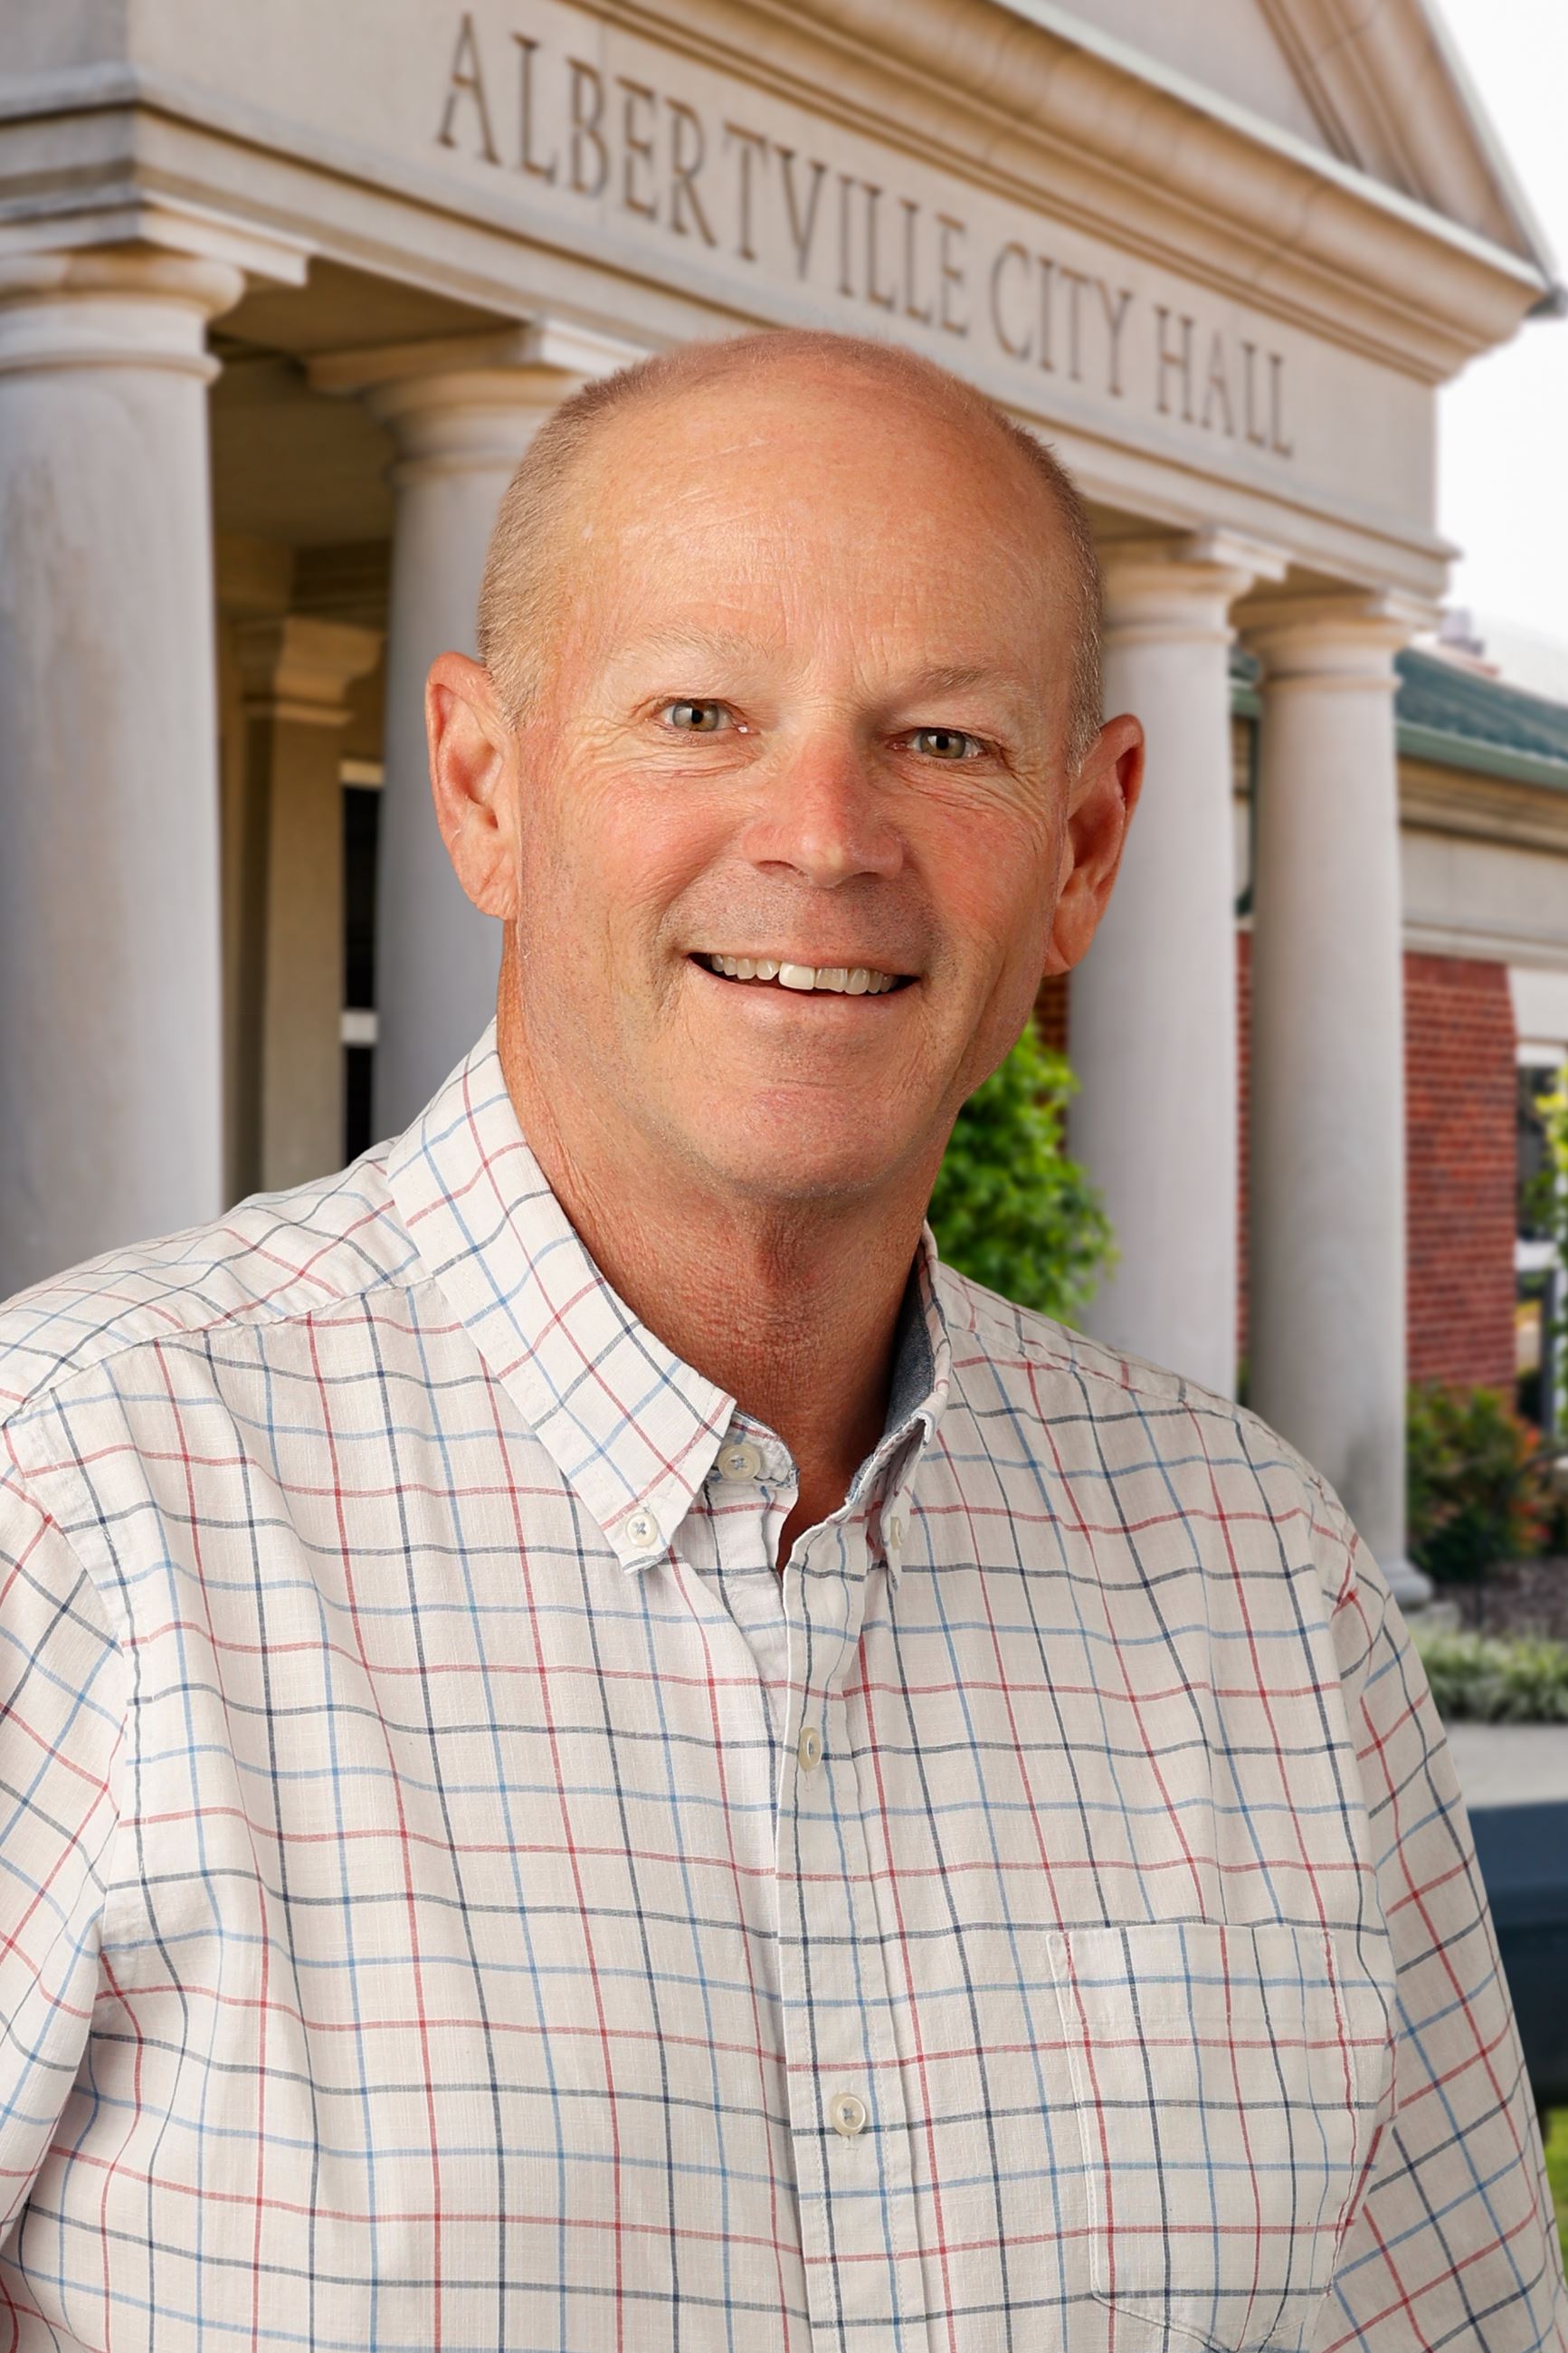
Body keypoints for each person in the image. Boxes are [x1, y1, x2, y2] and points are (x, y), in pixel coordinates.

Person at [0, 327, 1561, 2353]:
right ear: (482, 784)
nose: (823, 835)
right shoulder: (73, 1501)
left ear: (1084, 847)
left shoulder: (1269, 1599)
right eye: (698, 710)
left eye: (943, 742)